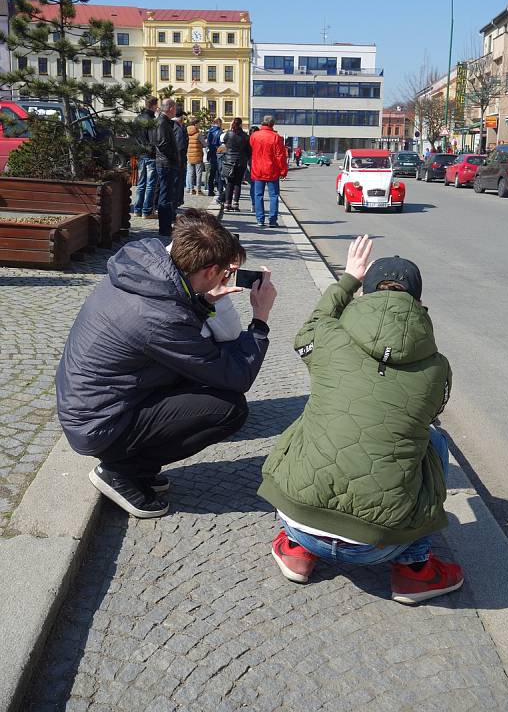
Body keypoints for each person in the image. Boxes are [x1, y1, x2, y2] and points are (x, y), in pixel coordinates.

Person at [258, 237, 463, 605]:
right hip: (379, 544)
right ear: (417, 303)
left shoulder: (329, 338)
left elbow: (309, 329)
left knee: (312, 419)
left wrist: (348, 278)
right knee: (433, 440)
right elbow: (430, 417)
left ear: (365, 295)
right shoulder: (437, 367)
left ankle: (296, 549)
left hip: (300, 517)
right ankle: (414, 570)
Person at [56, 208, 277, 519]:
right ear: (210, 271)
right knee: (230, 409)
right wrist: (260, 320)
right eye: (225, 272)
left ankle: (135, 466)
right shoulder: (161, 317)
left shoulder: (142, 272)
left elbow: (181, 337)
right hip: (100, 424)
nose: (226, 278)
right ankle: (121, 471)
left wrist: (203, 303)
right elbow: (236, 376)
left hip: (90, 403)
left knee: (202, 379)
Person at [250, 115, 288, 228]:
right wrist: (283, 171)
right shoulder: (276, 137)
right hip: (272, 170)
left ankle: (260, 219)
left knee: (258, 195)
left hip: (257, 169)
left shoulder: (254, 136)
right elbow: (280, 156)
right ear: (272, 124)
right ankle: (272, 220)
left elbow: (252, 148)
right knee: (274, 196)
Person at [154, 99, 180, 236]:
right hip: (166, 164)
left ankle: (166, 226)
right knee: (165, 196)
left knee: (167, 195)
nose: (176, 110)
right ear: (170, 108)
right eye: (175, 107)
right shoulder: (162, 123)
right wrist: (174, 157)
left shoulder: (165, 122)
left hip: (166, 163)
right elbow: (163, 145)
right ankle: (164, 228)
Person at [133, 97, 158, 219]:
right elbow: (154, 140)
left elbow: (133, 137)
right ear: (153, 106)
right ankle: (147, 211)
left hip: (140, 154)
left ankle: (137, 209)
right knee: (150, 184)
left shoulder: (137, 119)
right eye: (156, 106)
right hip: (150, 155)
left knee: (141, 183)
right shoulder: (152, 120)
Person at [222, 117, 250, 212]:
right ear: (241, 125)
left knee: (229, 182)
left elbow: (224, 142)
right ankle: (235, 204)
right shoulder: (245, 136)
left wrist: (230, 129)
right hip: (241, 162)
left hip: (229, 161)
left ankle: (227, 204)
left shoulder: (229, 134)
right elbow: (248, 151)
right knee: (238, 183)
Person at [172, 109, 188, 215]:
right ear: (181, 118)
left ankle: (175, 203)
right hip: (178, 160)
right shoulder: (179, 128)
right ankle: (175, 203)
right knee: (177, 183)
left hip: (173, 159)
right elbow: (181, 146)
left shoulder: (170, 125)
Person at [186, 117, 206, 195]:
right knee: (198, 173)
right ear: (195, 124)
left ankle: (191, 190)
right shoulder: (198, 134)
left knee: (191, 173)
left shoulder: (187, 133)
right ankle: (198, 190)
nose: (200, 125)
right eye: (199, 123)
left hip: (189, 155)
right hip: (198, 156)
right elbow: (205, 144)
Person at [207, 117, 224, 196]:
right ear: (219, 123)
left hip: (211, 153)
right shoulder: (220, 132)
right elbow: (221, 144)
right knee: (220, 172)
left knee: (212, 172)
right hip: (218, 153)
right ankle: (220, 190)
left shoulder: (210, 131)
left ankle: (210, 190)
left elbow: (208, 143)